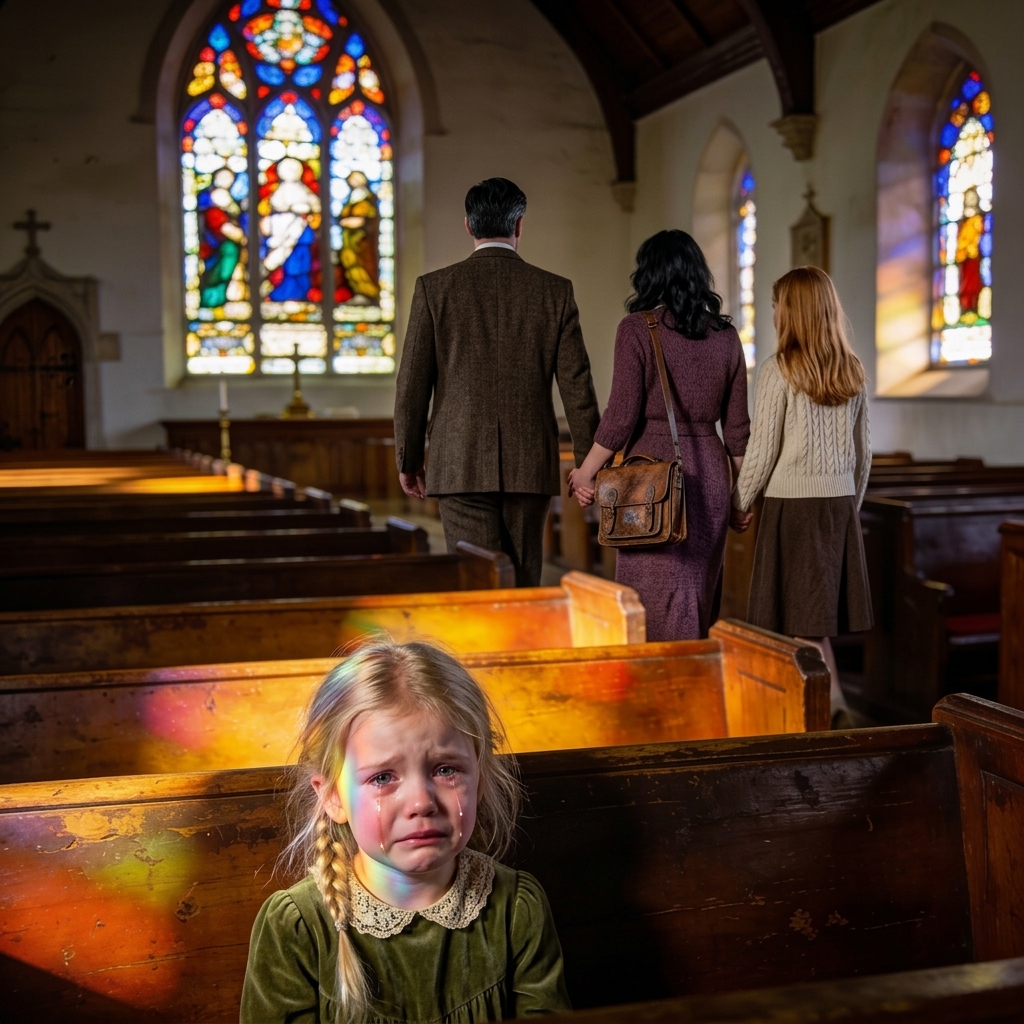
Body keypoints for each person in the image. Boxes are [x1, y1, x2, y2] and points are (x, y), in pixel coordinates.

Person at [240, 638, 570, 1023]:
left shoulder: (516, 908)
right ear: (333, 797)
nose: (421, 802)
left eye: (446, 769)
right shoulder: (297, 927)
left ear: (479, 778)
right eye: (383, 777)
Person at [394, 177, 600, 587]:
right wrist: (586, 463)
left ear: (468, 226)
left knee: (474, 582)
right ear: (519, 225)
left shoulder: (435, 289)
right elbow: (577, 386)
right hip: (530, 462)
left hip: (458, 462)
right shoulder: (554, 291)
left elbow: (412, 384)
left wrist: (409, 458)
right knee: (524, 582)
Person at [569, 230, 750, 641]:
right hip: (711, 477)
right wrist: (742, 495)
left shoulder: (636, 329)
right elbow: (737, 430)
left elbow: (619, 418)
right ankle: (693, 686)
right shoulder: (726, 337)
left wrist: (585, 474)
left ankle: (656, 692)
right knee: (697, 597)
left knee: (650, 600)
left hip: (648, 479)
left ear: (648, 275)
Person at [731, 266, 872, 727]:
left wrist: (739, 502)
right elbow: (863, 453)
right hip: (837, 506)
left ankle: (828, 710)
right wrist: (851, 507)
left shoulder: (778, 370)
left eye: (775, 305)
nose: (772, 313)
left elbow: (762, 449)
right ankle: (814, 708)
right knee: (808, 620)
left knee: (798, 624)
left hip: (793, 509)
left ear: (791, 312)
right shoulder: (851, 370)